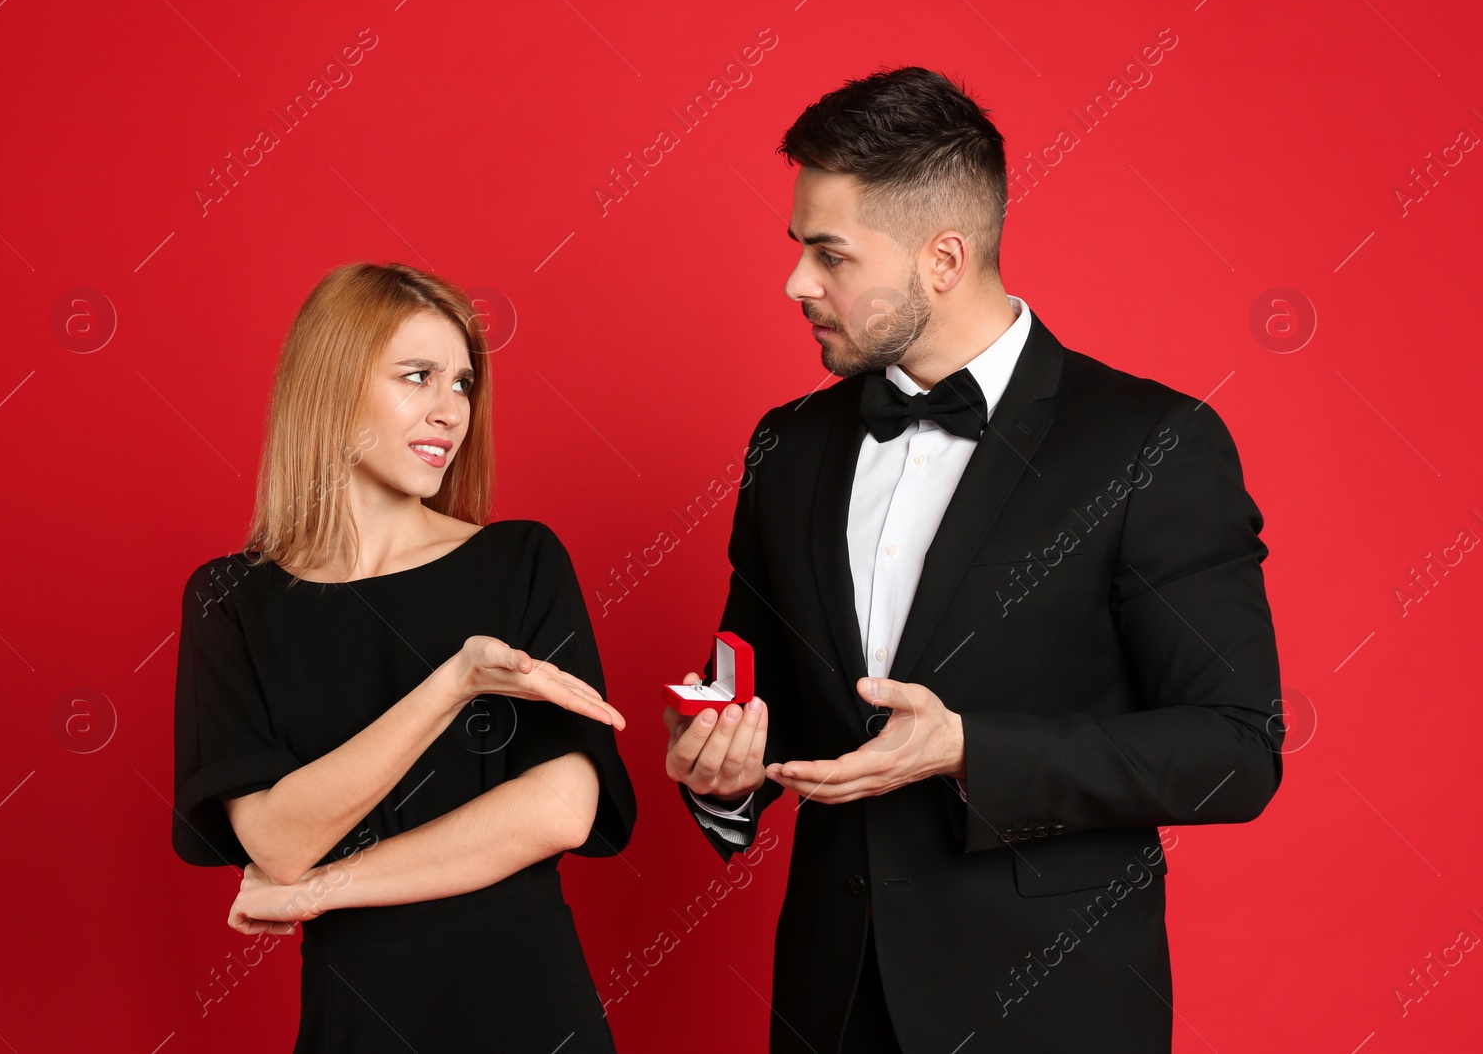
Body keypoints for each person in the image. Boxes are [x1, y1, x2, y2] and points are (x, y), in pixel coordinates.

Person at [662, 67, 1284, 1053]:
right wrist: (721, 770)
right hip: (830, 1003)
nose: (795, 283)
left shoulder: (1152, 443)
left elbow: (1235, 751)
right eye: (798, 250)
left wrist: (966, 748)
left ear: (943, 257)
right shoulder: (787, 446)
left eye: (829, 254)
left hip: (1051, 1008)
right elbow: (754, 694)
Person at [171, 262, 637, 1053]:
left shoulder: (519, 560)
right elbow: (278, 841)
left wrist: (321, 889)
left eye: (462, 384)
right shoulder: (230, 599)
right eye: (417, 377)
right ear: (331, 384)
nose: (449, 410)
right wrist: (450, 684)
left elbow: (559, 808)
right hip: (358, 1017)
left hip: (529, 1006)